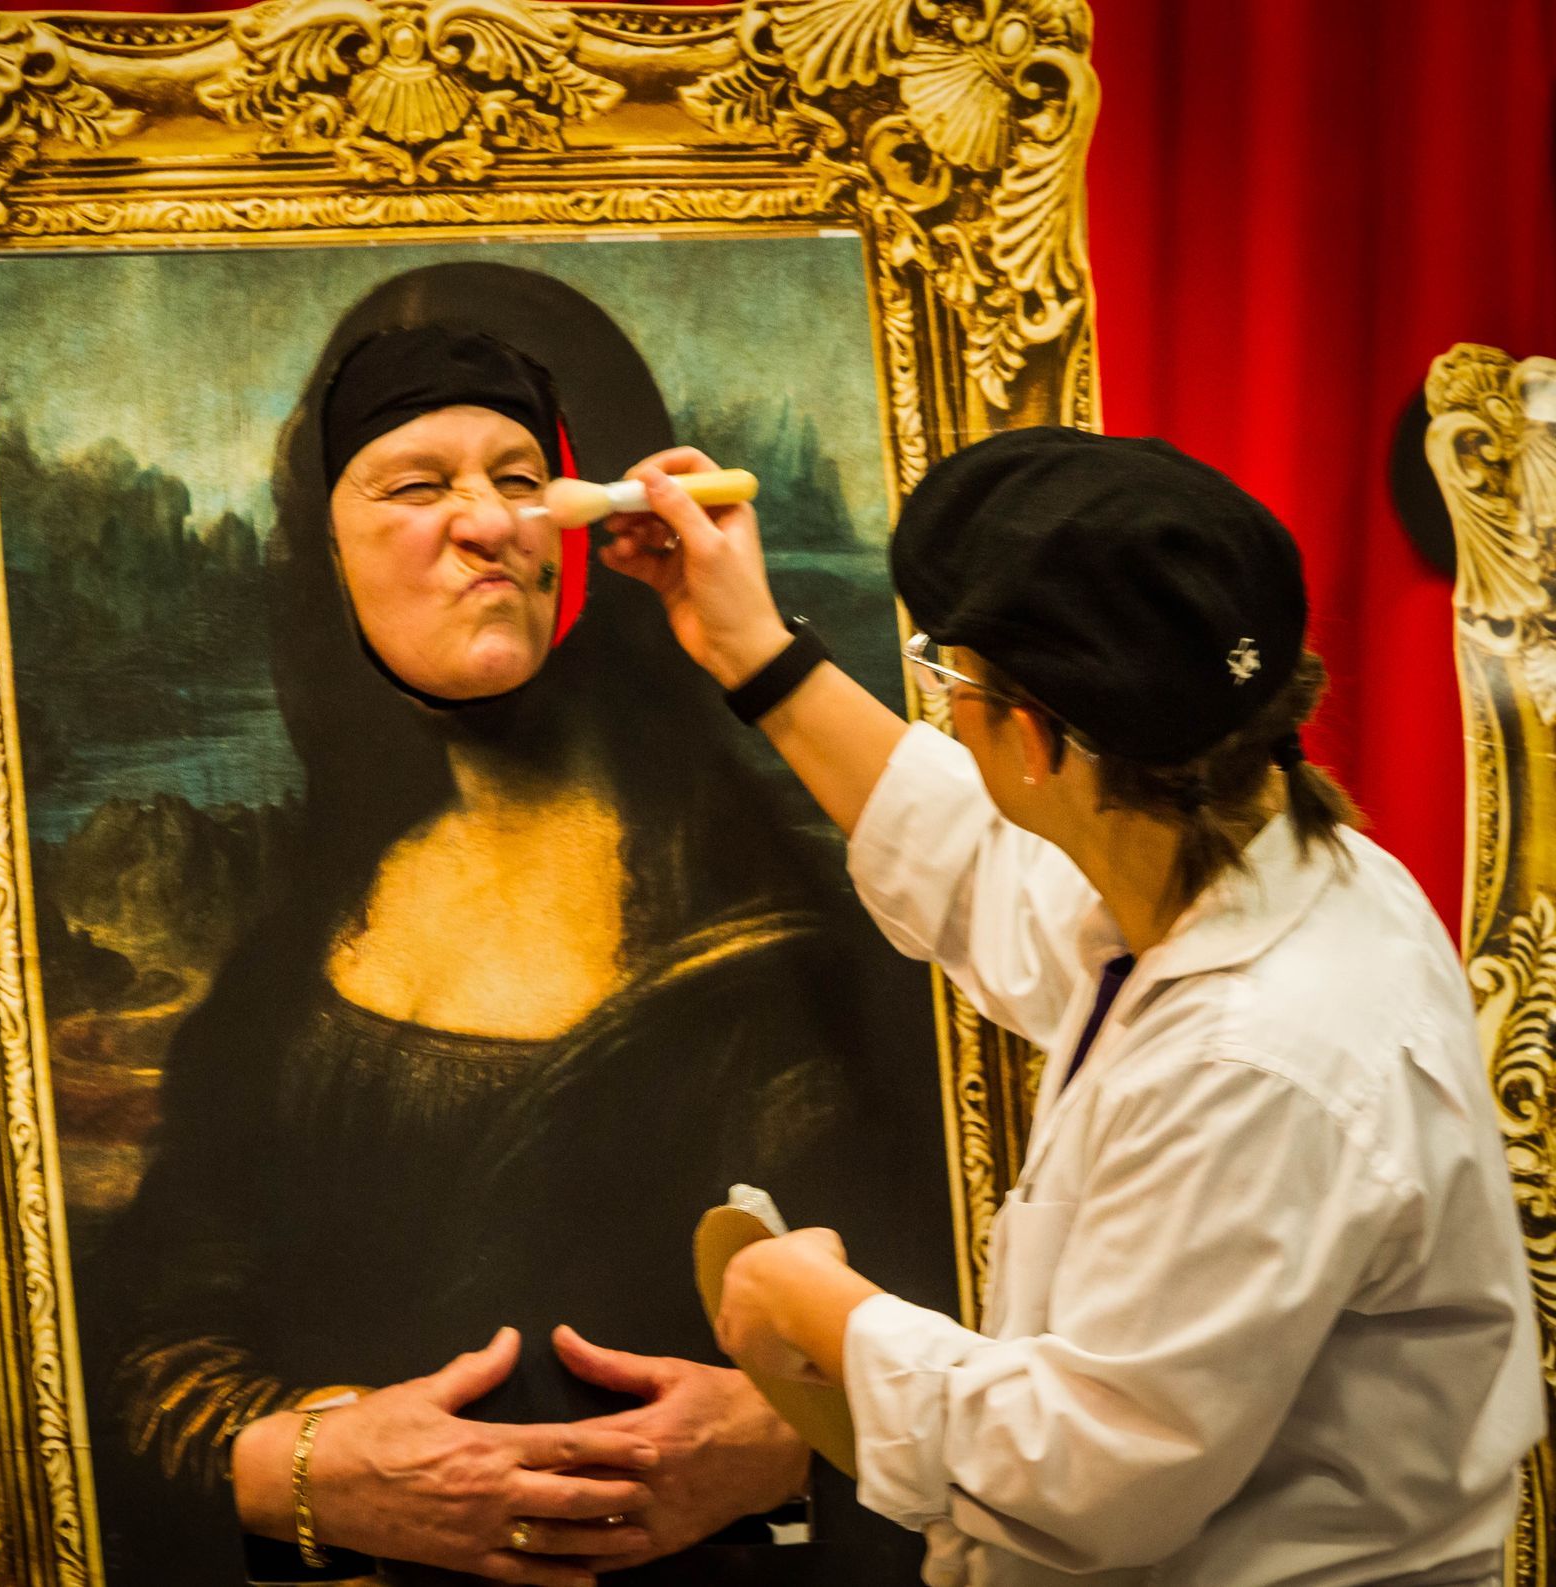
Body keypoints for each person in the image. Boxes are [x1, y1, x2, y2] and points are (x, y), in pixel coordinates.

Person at [76, 265, 956, 1587]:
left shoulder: (798, 939)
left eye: (521, 478)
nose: (485, 524)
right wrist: (309, 1470)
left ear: (592, 527)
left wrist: (800, 1437)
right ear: (324, 555)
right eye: (415, 486)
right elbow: (149, 1349)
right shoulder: (286, 962)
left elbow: (988, 1327)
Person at [601, 426, 1545, 1587]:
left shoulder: (1257, 1060)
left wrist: (825, 1312)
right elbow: (979, 864)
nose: (948, 712)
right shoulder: (1270, 866)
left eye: (952, 684)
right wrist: (753, 650)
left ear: (1038, 738)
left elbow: (1098, 1471)